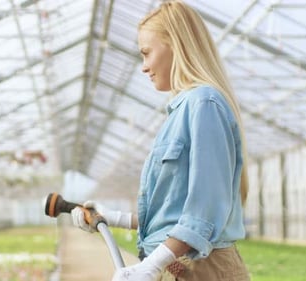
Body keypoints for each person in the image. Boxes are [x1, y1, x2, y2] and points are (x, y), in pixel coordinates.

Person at [71, 1, 250, 280]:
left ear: (176, 46)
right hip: (178, 265)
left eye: (146, 53)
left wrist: (151, 265)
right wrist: (112, 217)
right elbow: (174, 211)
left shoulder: (204, 103)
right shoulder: (182, 110)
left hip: (203, 267)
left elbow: (204, 210)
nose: (144, 67)